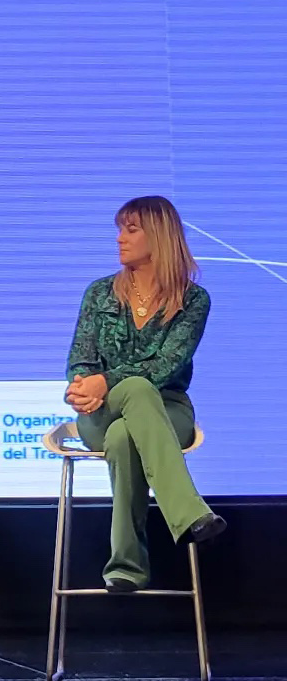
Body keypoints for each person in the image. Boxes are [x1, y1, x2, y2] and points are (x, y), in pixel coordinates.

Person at [64, 195, 224, 592]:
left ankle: (126, 566)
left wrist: (107, 378)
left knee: (125, 436)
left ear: (159, 235)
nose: (120, 238)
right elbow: (80, 360)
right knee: (130, 394)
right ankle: (188, 514)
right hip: (101, 410)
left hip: (169, 409)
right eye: (119, 229)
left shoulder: (193, 301)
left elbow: (166, 366)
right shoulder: (100, 293)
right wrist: (84, 386)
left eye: (130, 229)